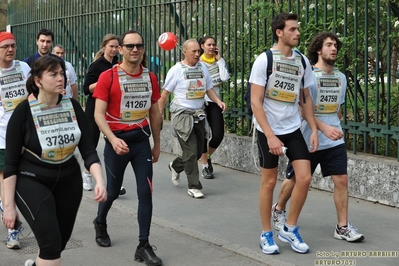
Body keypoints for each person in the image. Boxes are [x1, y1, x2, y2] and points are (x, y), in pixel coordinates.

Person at [2, 55, 107, 266]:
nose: (61, 78)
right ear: (38, 81)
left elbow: (88, 151)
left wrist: (99, 181)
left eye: (62, 73)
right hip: (31, 180)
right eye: (53, 74)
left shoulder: (74, 107)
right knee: (50, 245)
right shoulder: (23, 112)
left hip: (69, 181)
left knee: (58, 244)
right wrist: (9, 205)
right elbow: (10, 164)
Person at [272, 32, 364, 242]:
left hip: (333, 140)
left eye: (335, 46)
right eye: (329, 45)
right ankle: (278, 208)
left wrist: (334, 127)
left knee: (341, 179)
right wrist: (323, 128)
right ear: (318, 50)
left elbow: (338, 109)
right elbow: (304, 109)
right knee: (294, 180)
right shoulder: (309, 76)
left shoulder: (340, 77)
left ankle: (342, 227)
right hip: (308, 138)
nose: (334, 49)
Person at [92, 30, 163, 266]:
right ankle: (100, 222)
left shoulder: (150, 77)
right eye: (130, 46)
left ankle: (143, 246)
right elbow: (98, 115)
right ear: (120, 49)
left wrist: (157, 143)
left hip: (141, 141)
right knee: (111, 192)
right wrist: (112, 139)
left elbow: (154, 112)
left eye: (139, 46)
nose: (135, 50)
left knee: (146, 192)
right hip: (117, 142)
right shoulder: (108, 77)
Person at [249, 12, 318, 254]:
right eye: (292, 29)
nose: (298, 33)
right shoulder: (264, 60)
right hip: (267, 129)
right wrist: (269, 135)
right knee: (268, 183)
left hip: (292, 129)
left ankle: (289, 228)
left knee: (305, 177)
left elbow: (305, 98)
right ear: (279, 32)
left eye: (297, 29)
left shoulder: (301, 61)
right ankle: (266, 234)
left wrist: (314, 129)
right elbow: (256, 102)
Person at [158, 39, 226, 199]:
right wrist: (158, 116)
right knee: (190, 151)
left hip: (199, 114)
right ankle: (194, 186)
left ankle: (175, 166)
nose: (197, 54)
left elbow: (209, 88)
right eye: (194, 51)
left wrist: (218, 101)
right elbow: (165, 94)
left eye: (198, 51)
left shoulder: (203, 67)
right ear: (185, 52)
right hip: (183, 116)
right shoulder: (176, 70)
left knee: (198, 152)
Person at [0, 31, 31, 250]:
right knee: (6, 177)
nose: (10, 50)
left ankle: (6, 208)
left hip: (24, 132)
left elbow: (34, 92)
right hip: (1, 134)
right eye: (5, 47)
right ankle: (12, 230)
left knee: (12, 180)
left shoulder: (24, 68)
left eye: (13, 46)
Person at [82, 34, 120, 192]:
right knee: (92, 142)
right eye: (111, 46)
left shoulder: (119, 64)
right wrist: (103, 81)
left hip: (112, 108)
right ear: (104, 46)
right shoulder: (97, 65)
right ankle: (87, 174)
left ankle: (114, 179)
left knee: (113, 143)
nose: (114, 49)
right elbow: (86, 89)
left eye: (116, 47)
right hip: (95, 109)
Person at [198, 36, 230, 179]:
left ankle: (207, 156)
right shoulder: (198, 63)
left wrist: (220, 60)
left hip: (215, 101)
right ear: (202, 46)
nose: (211, 47)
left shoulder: (218, 62)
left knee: (218, 135)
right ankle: (205, 166)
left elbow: (224, 78)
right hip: (200, 103)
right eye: (208, 44)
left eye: (213, 45)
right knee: (204, 135)